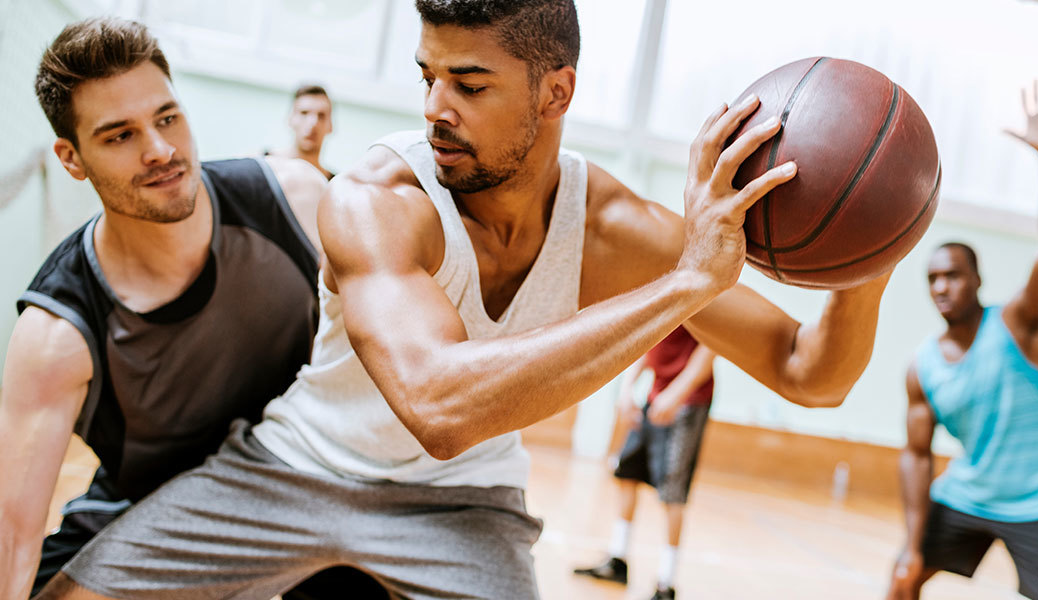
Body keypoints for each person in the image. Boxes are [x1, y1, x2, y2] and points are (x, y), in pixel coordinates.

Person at [36, 2, 895, 598]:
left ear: (555, 92)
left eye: (470, 84)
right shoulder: (379, 197)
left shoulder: (617, 229)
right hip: (295, 470)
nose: (435, 108)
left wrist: (876, 249)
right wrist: (683, 286)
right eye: (428, 76)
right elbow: (438, 405)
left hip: (461, 508)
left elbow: (810, 374)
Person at [0, 17, 383, 600]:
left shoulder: (297, 200)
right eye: (119, 135)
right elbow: (13, 534)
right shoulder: (56, 333)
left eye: (167, 117)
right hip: (148, 506)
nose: (160, 150)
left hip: (303, 484)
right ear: (72, 157)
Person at [886, 82, 1038, 600]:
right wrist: (911, 545)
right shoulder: (922, 366)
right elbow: (916, 455)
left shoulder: (1020, 323)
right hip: (968, 494)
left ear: (976, 280)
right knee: (902, 580)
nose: (941, 286)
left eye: (952, 275)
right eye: (931, 279)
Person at [574, 326, 717, 599]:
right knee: (626, 473)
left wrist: (678, 392)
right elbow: (648, 340)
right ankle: (618, 559)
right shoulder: (660, 287)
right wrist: (627, 389)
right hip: (654, 395)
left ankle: (666, 583)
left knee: (672, 492)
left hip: (688, 402)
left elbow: (712, 347)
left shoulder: (707, 295)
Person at [268, 84, 336, 180]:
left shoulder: (334, 187)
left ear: (331, 126)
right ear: (290, 119)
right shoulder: (262, 165)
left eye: (321, 116)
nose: (313, 123)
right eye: (304, 113)